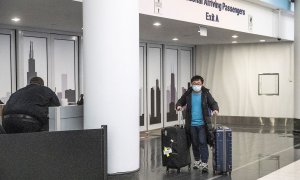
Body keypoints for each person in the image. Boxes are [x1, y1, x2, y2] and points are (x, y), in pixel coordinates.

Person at [176, 75, 219, 172]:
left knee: (202, 142)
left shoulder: (206, 93)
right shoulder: (188, 93)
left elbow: (213, 103)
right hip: (191, 124)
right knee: (194, 143)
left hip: (203, 124)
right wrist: (178, 106)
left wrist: (215, 109)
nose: (196, 85)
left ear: (202, 83)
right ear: (192, 84)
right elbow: (180, 101)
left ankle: (204, 163)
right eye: (194, 84)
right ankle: (197, 160)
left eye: (198, 84)